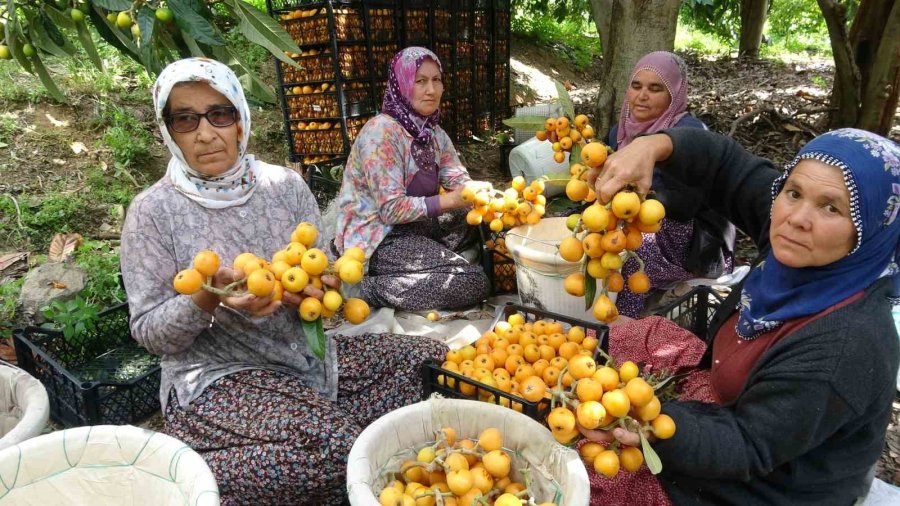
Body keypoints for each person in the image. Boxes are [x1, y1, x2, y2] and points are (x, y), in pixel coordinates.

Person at [120, 58, 447, 506]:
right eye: (185, 119)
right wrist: (205, 298)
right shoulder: (152, 213)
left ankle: (306, 435)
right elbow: (151, 335)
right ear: (169, 130)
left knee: (433, 362)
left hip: (306, 359)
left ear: (240, 119)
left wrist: (315, 293)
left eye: (220, 113)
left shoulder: (284, 186)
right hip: (220, 377)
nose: (205, 132)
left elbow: (329, 281)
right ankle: (199, 462)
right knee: (341, 454)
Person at [580, 127, 900, 505]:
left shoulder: (846, 344)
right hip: (734, 401)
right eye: (793, 192)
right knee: (639, 335)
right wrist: (653, 145)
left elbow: (748, 444)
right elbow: (726, 166)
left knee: (596, 477)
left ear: (871, 229)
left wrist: (652, 427)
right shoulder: (802, 245)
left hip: (771, 483)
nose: (797, 217)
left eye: (832, 207)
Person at [334, 46, 490, 311]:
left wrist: (483, 195)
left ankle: (432, 262)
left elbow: (457, 178)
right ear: (402, 84)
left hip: (415, 226)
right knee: (472, 282)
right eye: (420, 81)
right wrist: (451, 200)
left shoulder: (432, 132)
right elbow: (391, 210)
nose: (431, 90)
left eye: (436, 80)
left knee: (479, 222)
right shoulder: (381, 132)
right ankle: (362, 288)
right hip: (380, 236)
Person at [607, 51, 735, 317]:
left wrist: (633, 194)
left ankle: (625, 326)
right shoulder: (618, 132)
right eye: (637, 86)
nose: (642, 96)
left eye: (655, 89)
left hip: (692, 236)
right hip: (637, 218)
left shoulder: (690, 134)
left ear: (674, 96)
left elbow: (684, 205)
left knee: (634, 252)